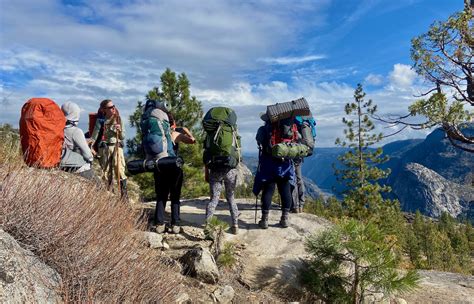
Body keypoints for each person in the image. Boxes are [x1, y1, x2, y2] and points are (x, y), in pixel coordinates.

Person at [202, 106, 241, 235]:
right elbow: (238, 151)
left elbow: (206, 153)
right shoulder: (233, 132)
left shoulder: (210, 134)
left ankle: (208, 226)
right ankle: (235, 224)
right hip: (230, 169)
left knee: (214, 199)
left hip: (215, 169)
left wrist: (207, 171)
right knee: (231, 197)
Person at [253, 113, 295, 229]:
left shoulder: (264, 129)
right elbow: (297, 139)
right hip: (285, 164)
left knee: (268, 190)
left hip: (268, 163)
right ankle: (285, 219)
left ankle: (264, 220)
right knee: (285, 190)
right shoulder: (288, 128)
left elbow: (259, 141)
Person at [90, 99, 127, 198]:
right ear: (104, 109)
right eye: (110, 107)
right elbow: (94, 136)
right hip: (104, 149)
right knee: (106, 174)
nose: (113, 108)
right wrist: (90, 146)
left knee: (119, 171)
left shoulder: (119, 119)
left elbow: (122, 136)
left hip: (116, 147)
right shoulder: (100, 121)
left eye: (113, 106)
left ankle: (124, 198)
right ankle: (111, 196)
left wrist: (119, 130)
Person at [60, 102, 95, 179]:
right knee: (99, 186)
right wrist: (91, 158)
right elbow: (88, 155)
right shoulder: (76, 131)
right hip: (75, 166)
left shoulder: (58, 128)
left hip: (60, 163)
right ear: (75, 114)